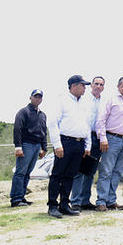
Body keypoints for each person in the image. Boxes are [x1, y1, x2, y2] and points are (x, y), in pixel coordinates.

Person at [46, 76, 91, 218]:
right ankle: (52, 205)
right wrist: (57, 145)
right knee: (57, 175)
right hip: (64, 142)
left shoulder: (85, 103)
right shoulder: (62, 100)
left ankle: (64, 204)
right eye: (83, 85)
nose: (85, 88)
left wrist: (87, 145)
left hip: (79, 143)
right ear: (74, 86)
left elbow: (87, 125)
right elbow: (53, 124)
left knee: (70, 175)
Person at [95, 77, 123, 212]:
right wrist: (103, 138)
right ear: (118, 87)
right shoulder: (111, 99)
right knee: (106, 171)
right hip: (111, 139)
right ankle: (101, 201)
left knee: (117, 172)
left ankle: (111, 200)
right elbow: (101, 120)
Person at [70, 76, 105, 211]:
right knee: (79, 170)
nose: (98, 86)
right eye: (96, 83)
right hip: (84, 137)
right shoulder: (83, 100)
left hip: (97, 138)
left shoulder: (104, 102)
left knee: (90, 170)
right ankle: (76, 201)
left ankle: (85, 200)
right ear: (91, 85)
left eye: (101, 84)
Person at [10, 89, 47, 207]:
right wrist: (18, 147)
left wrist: (44, 148)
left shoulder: (42, 115)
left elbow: (43, 132)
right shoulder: (23, 112)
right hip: (26, 145)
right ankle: (16, 199)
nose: (38, 99)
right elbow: (17, 129)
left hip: (37, 146)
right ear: (30, 98)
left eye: (40, 97)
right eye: (35, 96)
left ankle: (21, 196)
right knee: (20, 172)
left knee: (27, 173)